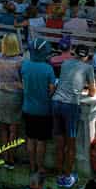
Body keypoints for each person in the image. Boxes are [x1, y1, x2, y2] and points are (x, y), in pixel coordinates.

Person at [52, 43, 96, 188]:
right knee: (70, 144)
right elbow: (92, 92)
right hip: (70, 105)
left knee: (59, 143)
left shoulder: (65, 63)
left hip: (56, 102)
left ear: (75, 53)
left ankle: (59, 173)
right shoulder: (88, 67)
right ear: (86, 57)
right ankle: (67, 176)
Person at [21, 40, 57, 174]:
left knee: (30, 138)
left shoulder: (25, 66)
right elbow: (52, 89)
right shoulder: (48, 69)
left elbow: (23, 83)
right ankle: (40, 167)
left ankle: (32, 166)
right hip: (43, 110)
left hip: (28, 108)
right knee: (41, 141)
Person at [0, 33, 25, 168]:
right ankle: (11, 158)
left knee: (3, 129)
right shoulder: (20, 61)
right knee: (13, 129)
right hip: (15, 95)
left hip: (1, 94)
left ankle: (5, 156)